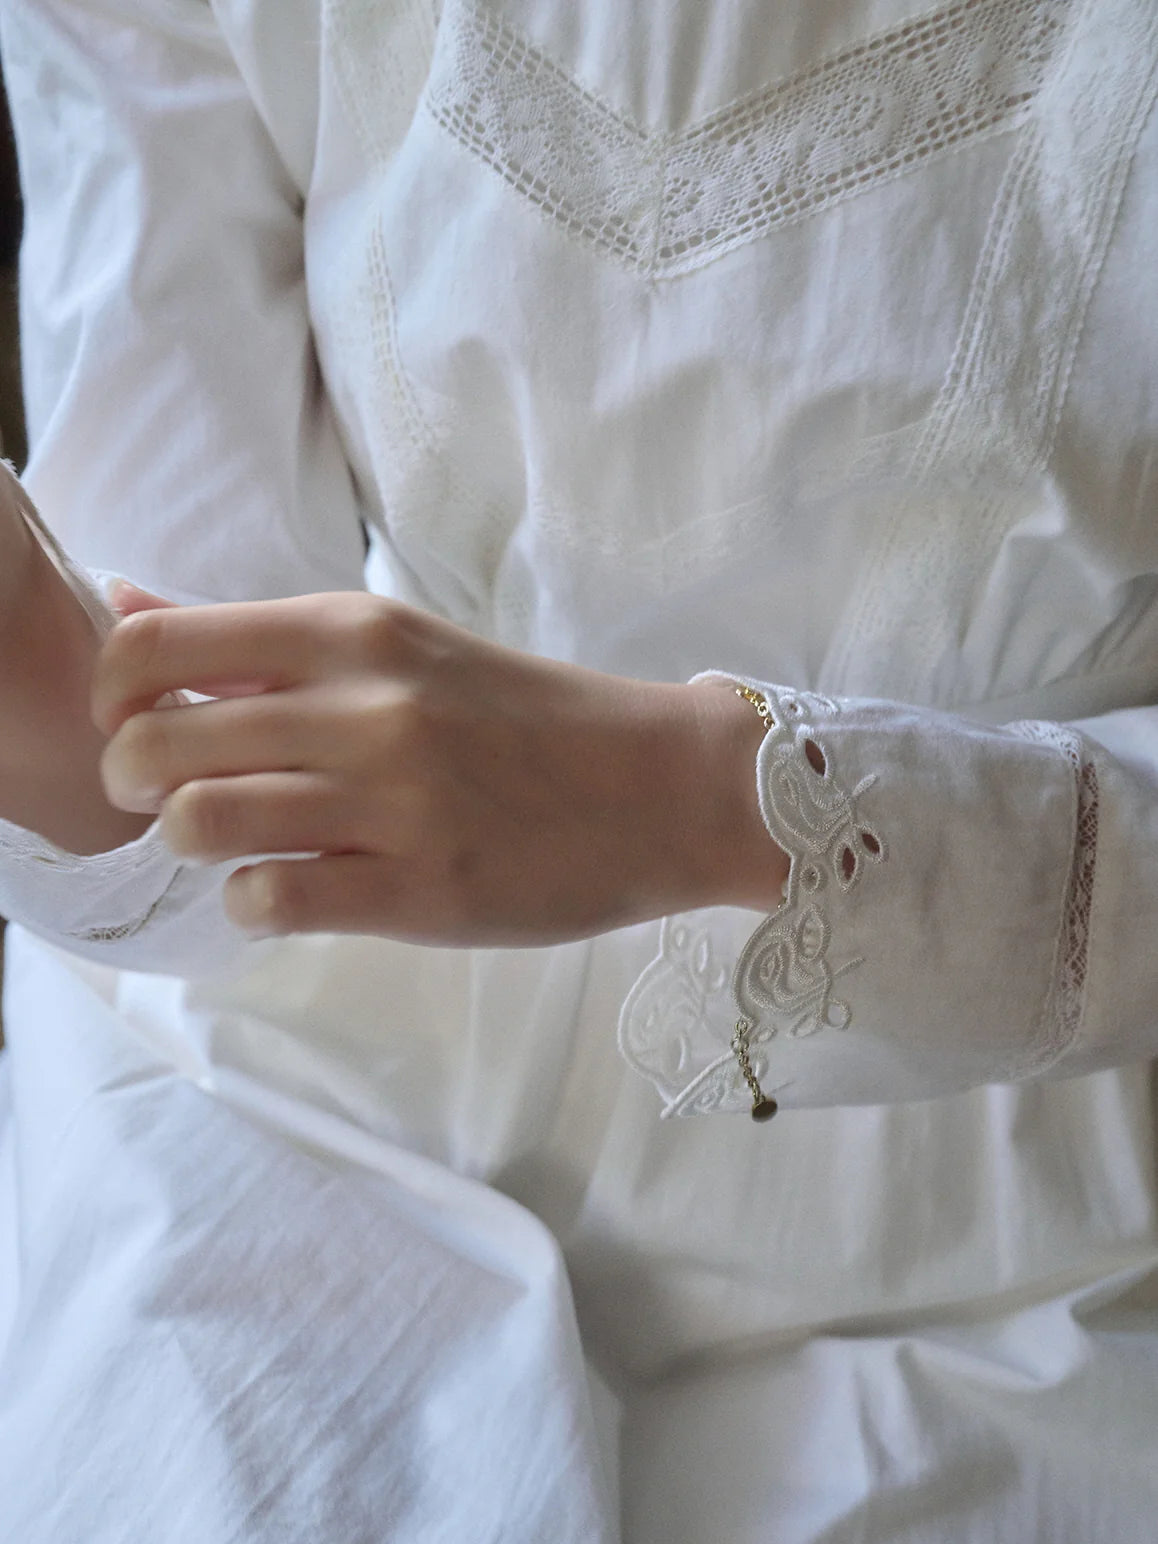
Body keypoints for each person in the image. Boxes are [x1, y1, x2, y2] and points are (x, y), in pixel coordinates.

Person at [1, 0, 1157, 1538]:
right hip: (327, 1059)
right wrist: (41, 678)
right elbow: (182, 725)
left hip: (1045, 1192)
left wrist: (698, 800)